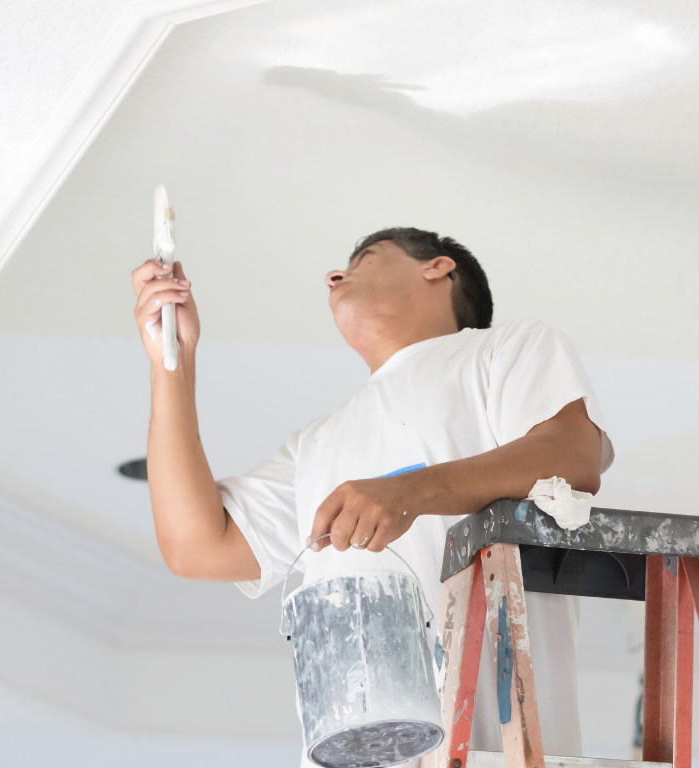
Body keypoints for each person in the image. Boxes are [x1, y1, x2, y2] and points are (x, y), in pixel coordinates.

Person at [131, 227, 613, 766]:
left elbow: (572, 455)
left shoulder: (503, 349)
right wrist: (171, 364)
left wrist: (413, 491)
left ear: (438, 267)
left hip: (494, 754)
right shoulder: (316, 444)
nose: (334, 275)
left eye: (366, 258)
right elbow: (197, 546)